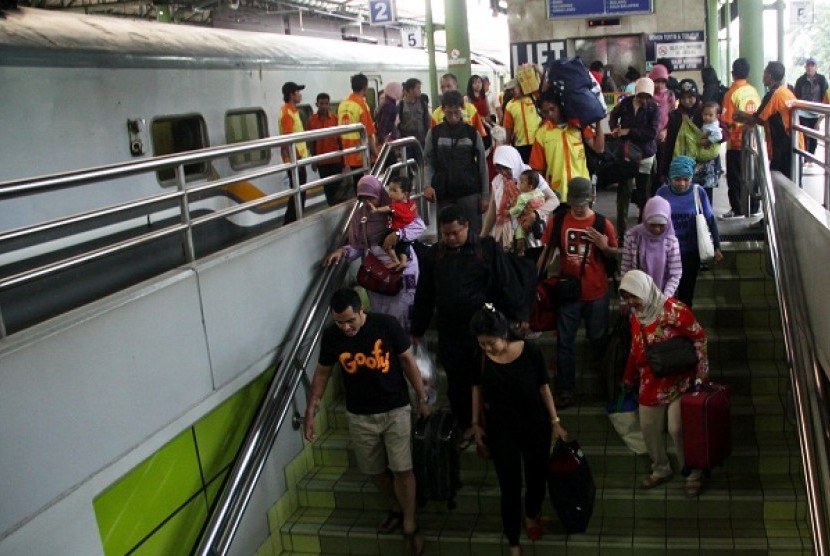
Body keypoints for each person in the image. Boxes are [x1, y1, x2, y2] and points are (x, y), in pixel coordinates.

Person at [304, 287, 429, 553]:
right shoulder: (332, 337)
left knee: (402, 468)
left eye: (350, 320)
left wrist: (422, 397)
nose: (346, 328)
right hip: (360, 415)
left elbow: (407, 361)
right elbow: (323, 373)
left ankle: (410, 523)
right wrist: (312, 407)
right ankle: (397, 508)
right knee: (373, 471)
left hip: (395, 409)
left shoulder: (386, 326)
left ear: (362, 311)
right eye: (340, 323)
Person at [411, 205, 531, 440]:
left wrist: (519, 315)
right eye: (445, 234)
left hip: (483, 328)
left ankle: (495, 421)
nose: (450, 238)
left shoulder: (486, 250)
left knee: (491, 376)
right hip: (450, 329)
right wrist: (417, 327)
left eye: (455, 233)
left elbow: (504, 283)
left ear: (467, 227)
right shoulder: (434, 254)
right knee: (457, 379)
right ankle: (466, 423)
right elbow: (425, 293)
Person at [470, 304, 567, 556]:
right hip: (501, 430)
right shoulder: (480, 357)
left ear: (504, 333)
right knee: (509, 487)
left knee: (537, 477)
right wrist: (475, 423)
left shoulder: (531, 351)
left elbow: (544, 388)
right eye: (482, 344)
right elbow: (477, 389)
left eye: (490, 342)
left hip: (535, 425)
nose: (487, 348)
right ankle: (513, 540)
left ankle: (532, 515)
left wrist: (555, 422)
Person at [619, 269, 709, 498]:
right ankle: (661, 468)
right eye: (626, 297)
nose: (631, 302)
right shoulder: (636, 317)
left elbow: (699, 337)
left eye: (634, 296)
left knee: (677, 429)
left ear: (645, 290)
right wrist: (629, 376)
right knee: (649, 429)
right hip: (650, 383)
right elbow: (634, 348)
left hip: (679, 380)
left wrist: (702, 373)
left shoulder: (674, 311)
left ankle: (693, 473)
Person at [537, 177, 618, 407]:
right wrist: (536, 278)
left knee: (599, 339)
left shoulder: (603, 224)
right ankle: (565, 390)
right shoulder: (559, 219)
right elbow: (547, 250)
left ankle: (607, 385)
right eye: (574, 202)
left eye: (582, 202)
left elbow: (616, 253)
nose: (579, 207)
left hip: (597, 292)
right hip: (568, 292)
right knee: (565, 342)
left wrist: (604, 246)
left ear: (591, 198)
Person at [324, 175, 425, 332]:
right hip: (378, 274)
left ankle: (411, 349)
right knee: (383, 315)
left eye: (371, 198)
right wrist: (343, 251)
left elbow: (418, 226)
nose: (368, 203)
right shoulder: (360, 217)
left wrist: (398, 235)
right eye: (363, 198)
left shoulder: (396, 207)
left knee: (407, 311)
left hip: (403, 268)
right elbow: (358, 245)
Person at [656, 156, 723, 307]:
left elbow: (710, 219)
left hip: (690, 253)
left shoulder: (698, 192)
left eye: (686, 179)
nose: (682, 183)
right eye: (677, 179)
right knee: (666, 296)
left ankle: (684, 327)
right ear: (670, 178)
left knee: (686, 295)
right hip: (667, 252)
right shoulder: (662, 193)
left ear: (691, 178)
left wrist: (717, 247)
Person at [423, 90, 489, 236]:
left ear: (462, 109)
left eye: (456, 112)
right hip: (444, 193)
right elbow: (428, 162)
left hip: (469, 193)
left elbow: (482, 165)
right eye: (449, 112)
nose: (453, 116)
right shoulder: (434, 134)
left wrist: (485, 196)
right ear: (442, 110)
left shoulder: (472, 133)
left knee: (472, 235)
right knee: (446, 236)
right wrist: (427, 185)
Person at [482, 145, 560, 260]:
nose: (503, 172)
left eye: (506, 168)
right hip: (508, 237)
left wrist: (536, 213)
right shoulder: (498, 182)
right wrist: (483, 235)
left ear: (513, 162)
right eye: (499, 168)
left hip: (531, 235)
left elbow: (554, 200)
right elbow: (493, 210)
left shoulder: (531, 177)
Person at [529, 90, 605, 202]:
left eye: (552, 109)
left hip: (582, 191)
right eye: (545, 112)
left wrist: (598, 121)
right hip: (556, 195)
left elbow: (599, 148)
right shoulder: (542, 134)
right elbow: (537, 168)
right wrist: (538, 195)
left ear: (560, 106)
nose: (549, 114)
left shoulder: (579, 127)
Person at [609, 77, 660, 241]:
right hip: (627, 155)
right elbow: (613, 115)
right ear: (636, 93)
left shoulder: (654, 109)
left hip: (646, 155)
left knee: (644, 194)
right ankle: (621, 233)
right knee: (624, 192)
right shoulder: (625, 104)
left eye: (647, 96)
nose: (644, 100)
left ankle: (642, 230)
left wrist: (628, 131)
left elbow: (651, 133)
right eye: (641, 95)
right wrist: (615, 129)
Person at [735, 61, 800, 181]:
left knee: (780, 182)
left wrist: (739, 114)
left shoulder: (774, 94)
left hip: (784, 145)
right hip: (794, 143)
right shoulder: (785, 92)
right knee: (791, 182)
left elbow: (757, 118)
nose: (763, 76)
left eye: (764, 72)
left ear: (769, 76)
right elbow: (762, 119)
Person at [720, 58, 761, 218]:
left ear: (733, 73)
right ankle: (755, 207)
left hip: (737, 142)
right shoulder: (753, 90)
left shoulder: (731, 93)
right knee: (752, 175)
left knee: (735, 177)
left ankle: (737, 209)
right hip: (754, 141)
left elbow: (727, 121)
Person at [620, 196, 682, 297]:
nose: (657, 229)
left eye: (662, 225)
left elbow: (675, 273)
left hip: (663, 297)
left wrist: (665, 297)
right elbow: (626, 269)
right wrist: (625, 298)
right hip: (637, 297)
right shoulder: (632, 237)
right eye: (652, 225)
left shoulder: (670, 241)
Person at [307, 92, 350, 206]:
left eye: (326, 103)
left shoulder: (335, 119)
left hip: (336, 160)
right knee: (327, 188)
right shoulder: (312, 121)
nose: (324, 106)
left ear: (329, 105)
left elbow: (341, 141)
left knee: (338, 187)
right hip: (322, 162)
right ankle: (332, 207)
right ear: (317, 104)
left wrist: (345, 162)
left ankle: (338, 206)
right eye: (321, 103)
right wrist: (313, 160)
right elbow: (311, 142)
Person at [370, 176, 417, 270]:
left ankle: (395, 260)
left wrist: (376, 210)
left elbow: (387, 208)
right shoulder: (412, 204)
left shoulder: (397, 206)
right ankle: (403, 262)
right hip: (406, 233)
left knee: (387, 245)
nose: (390, 194)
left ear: (405, 194)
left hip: (396, 231)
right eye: (390, 190)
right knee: (403, 247)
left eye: (394, 191)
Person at [278, 81, 309, 224]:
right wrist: (297, 159)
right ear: (291, 94)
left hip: (299, 159)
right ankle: (291, 221)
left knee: (299, 191)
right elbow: (289, 139)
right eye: (298, 92)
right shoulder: (287, 113)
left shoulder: (293, 111)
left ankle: (295, 218)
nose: (300, 95)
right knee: (297, 191)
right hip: (295, 160)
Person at [338, 73, 379, 177]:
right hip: (361, 154)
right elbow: (368, 133)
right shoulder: (361, 105)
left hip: (347, 153)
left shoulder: (343, 104)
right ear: (365, 87)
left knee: (357, 183)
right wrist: (377, 154)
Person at [793, 57, 829, 161]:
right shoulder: (800, 80)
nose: (810, 68)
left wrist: (821, 117)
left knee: (814, 137)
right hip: (803, 112)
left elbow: (825, 96)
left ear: (816, 67)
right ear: (805, 67)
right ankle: (804, 157)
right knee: (803, 135)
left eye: (812, 65)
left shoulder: (822, 80)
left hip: (817, 112)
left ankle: (811, 158)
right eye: (808, 65)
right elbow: (796, 96)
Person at [431, 73, 487, 137]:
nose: (445, 90)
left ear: (457, 86)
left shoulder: (471, 109)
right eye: (442, 87)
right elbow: (433, 138)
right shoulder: (436, 114)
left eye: (449, 86)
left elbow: (480, 135)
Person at [503, 77, 542, 163]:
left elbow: (541, 88)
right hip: (520, 144)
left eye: (513, 89)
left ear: (521, 86)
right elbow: (508, 127)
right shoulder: (510, 106)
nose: (512, 92)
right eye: (509, 90)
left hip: (537, 141)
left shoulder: (533, 98)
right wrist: (507, 143)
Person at [649, 64, 677, 183]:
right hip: (649, 136)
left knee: (662, 165)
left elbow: (672, 115)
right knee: (650, 168)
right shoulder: (648, 95)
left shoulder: (669, 95)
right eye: (656, 81)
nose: (659, 85)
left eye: (662, 81)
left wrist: (666, 131)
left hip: (664, 137)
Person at [509, 169, 546, 255]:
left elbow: (517, 210)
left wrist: (509, 212)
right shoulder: (540, 193)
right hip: (540, 221)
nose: (519, 184)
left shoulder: (523, 197)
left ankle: (519, 249)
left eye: (521, 182)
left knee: (519, 231)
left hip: (525, 221)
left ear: (530, 186)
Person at [397, 78, 431, 160]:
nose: (420, 90)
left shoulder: (423, 104)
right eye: (418, 88)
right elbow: (398, 124)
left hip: (421, 141)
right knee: (408, 164)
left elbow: (427, 120)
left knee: (421, 162)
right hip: (406, 142)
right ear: (410, 90)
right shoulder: (401, 105)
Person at [375, 81, 402, 150]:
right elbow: (383, 123)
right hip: (388, 139)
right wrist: (382, 139)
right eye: (399, 90)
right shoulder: (389, 106)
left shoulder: (387, 103)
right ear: (394, 91)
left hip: (388, 137)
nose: (401, 93)